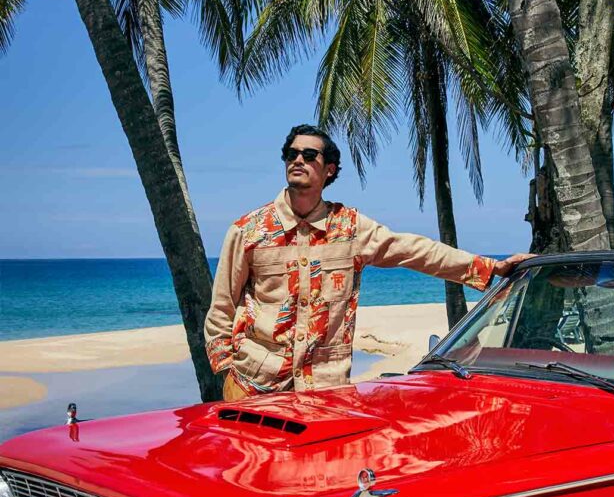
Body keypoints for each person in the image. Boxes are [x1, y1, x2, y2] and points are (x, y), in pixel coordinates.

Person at [205, 124, 532, 399]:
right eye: (291, 154)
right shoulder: (249, 231)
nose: (298, 160)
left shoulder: (349, 228)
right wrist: (225, 371)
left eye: (309, 155)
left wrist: (490, 269)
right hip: (253, 389)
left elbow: (415, 251)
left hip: (325, 392)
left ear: (329, 169)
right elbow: (221, 306)